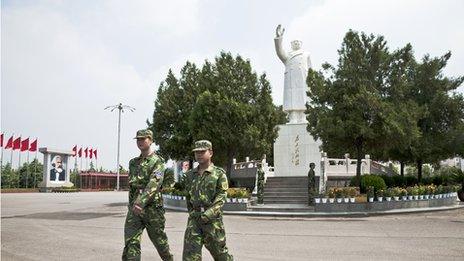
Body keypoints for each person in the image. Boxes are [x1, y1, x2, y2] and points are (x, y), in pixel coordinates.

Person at [122, 129, 173, 261]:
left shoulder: (158, 161)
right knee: (131, 242)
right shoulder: (133, 162)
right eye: (138, 139)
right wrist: (132, 205)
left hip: (152, 209)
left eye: (143, 139)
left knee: (160, 243)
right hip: (135, 210)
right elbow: (132, 187)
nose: (140, 141)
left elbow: (154, 184)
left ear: (150, 140)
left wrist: (140, 202)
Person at [182, 140, 233, 261]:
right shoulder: (190, 175)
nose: (199, 155)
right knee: (190, 256)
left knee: (221, 255)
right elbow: (188, 197)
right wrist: (193, 212)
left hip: (212, 221)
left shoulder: (219, 174)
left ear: (210, 153)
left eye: (202, 152)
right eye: (196, 152)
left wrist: (208, 213)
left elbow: (221, 197)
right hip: (194, 220)